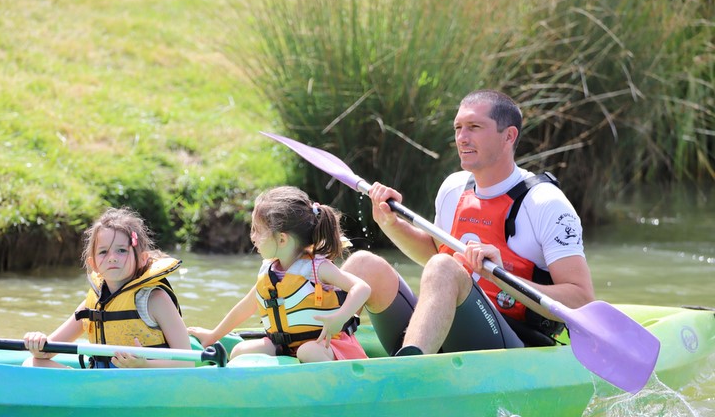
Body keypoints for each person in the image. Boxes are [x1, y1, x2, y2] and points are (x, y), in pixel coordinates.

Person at [341, 89, 595, 356]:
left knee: (442, 267)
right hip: (443, 332)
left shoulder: (546, 203)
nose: (462, 138)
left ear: (509, 136)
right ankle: (316, 348)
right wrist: (390, 224)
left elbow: (581, 302)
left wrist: (500, 278)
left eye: (474, 127)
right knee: (362, 263)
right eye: (458, 128)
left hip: (512, 346)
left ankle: (410, 374)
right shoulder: (453, 188)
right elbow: (434, 252)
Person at [187, 186, 371, 363]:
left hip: (329, 346)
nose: (252, 237)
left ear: (282, 239)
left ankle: (339, 387)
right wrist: (213, 335)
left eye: (257, 231)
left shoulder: (317, 267)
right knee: (240, 351)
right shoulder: (269, 272)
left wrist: (339, 318)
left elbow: (362, 288)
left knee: (308, 351)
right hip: (287, 347)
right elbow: (245, 308)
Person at [23, 207, 193, 368]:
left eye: (121, 251)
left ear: (142, 259)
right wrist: (37, 341)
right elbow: (45, 353)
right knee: (32, 363)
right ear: (93, 264)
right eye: (103, 252)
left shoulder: (155, 300)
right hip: (102, 383)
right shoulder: (92, 303)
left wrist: (144, 365)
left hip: (144, 381)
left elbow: (187, 362)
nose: (112, 258)